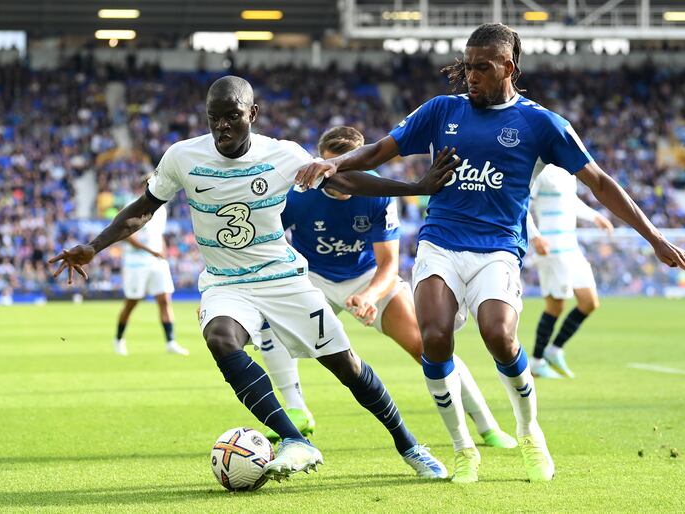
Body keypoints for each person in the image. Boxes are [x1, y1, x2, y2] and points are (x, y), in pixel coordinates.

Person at [294, 23, 685, 483]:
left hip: (498, 250)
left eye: (482, 68)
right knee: (433, 336)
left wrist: (654, 238)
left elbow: (601, 183)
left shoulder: (542, 124)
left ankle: (530, 432)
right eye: (467, 67)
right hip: (440, 243)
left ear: (508, 67)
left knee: (500, 337)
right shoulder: (440, 111)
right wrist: (335, 162)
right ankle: (462, 448)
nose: (471, 76)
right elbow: (378, 152)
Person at [48, 76, 458, 482]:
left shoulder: (281, 155)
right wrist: (95, 246)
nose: (222, 127)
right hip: (225, 281)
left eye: (232, 117)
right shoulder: (182, 156)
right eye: (214, 119)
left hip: (283, 277)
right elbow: (144, 206)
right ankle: (295, 439)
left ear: (253, 114)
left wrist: (414, 186)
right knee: (220, 339)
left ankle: (409, 446)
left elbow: (344, 180)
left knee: (345, 366)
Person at [260, 126, 516, 450]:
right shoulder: (298, 192)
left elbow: (388, 265)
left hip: (366, 276)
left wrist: (369, 296)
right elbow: (266, 241)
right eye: (329, 168)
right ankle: (296, 409)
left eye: (346, 168)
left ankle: (486, 426)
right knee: (269, 321)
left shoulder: (378, 193)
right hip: (314, 276)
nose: (336, 179)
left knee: (427, 347)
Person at [526, 164, 613, 378]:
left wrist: (595, 216)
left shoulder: (567, 170)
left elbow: (570, 200)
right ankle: (536, 361)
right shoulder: (539, 171)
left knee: (589, 302)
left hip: (571, 247)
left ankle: (554, 350)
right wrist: (534, 235)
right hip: (551, 247)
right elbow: (521, 206)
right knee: (555, 306)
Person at [114, 176, 189, 356]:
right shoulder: (132, 206)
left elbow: (159, 234)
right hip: (136, 264)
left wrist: (162, 253)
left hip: (157, 262)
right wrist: (151, 251)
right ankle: (119, 340)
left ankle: (171, 342)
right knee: (131, 303)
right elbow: (126, 235)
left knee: (164, 300)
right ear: (144, 186)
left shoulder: (161, 209)